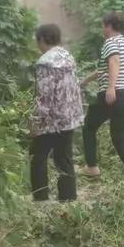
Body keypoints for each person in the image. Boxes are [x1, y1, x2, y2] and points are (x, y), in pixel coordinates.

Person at [30, 23, 83, 202]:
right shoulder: (68, 58)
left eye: (38, 41)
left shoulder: (44, 63)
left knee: (37, 156)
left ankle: (41, 198)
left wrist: (36, 122)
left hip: (51, 120)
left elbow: (43, 96)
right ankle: (68, 200)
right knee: (64, 158)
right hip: (70, 117)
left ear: (43, 39)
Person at [81, 11, 124, 176]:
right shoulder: (122, 42)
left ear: (108, 26)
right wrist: (85, 80)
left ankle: (91, 167)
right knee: (118, 135)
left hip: (115, 94)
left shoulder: (110, 42)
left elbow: (114, 62)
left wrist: (111, 88)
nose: (102, 29)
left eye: (103, 25)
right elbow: (104, 69)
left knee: (89, 127)